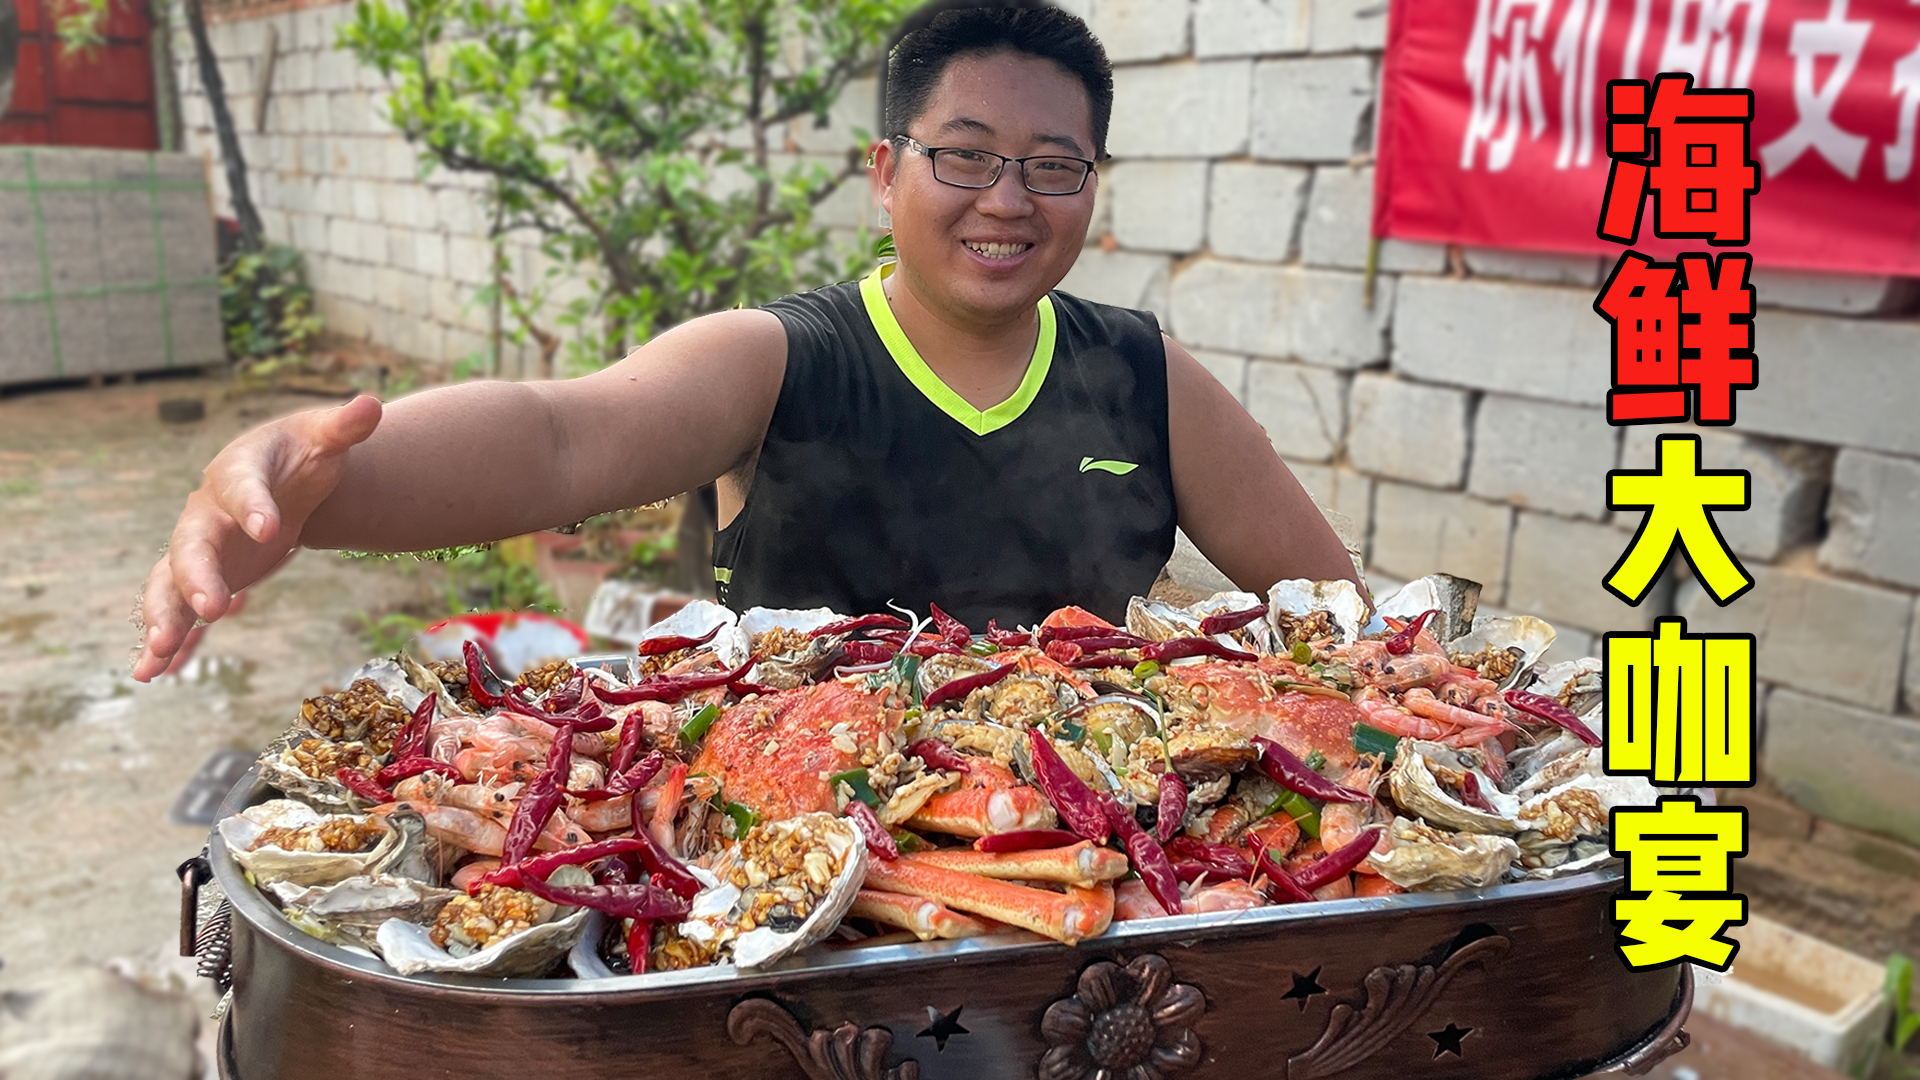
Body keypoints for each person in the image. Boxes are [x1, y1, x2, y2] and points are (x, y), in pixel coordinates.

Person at [130, 7, 1361, 683]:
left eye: (1054, 167)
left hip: (1092, 874)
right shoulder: (782, 362)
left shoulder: (1146, 377)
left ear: (1093, 185)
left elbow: (1340, 612)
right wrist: (308, 477)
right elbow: (560, 439)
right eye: (965, 154)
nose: (1008, 198)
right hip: (792, 857)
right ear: (885, 174)